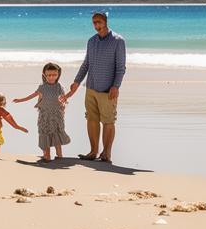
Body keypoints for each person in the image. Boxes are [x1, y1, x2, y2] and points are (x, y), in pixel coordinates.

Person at [66, 11, 126, 163]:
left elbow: (120, 67)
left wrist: (116, 86)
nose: (96, 25)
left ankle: (106, 154)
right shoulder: (91, 41)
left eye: (99, 22)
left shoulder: (118, 41)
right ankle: (93, 152)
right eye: (94, 23)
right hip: (91, 87)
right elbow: (86, 64)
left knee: (108, 121)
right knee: (91, 120)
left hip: (108, 89)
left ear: (105, 22)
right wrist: (77, 82)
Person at [12, 62, 71, 163]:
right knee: (45, 133)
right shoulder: (42, 87)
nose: (52, 77)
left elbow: (63, 99)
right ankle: (46, 155)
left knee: (57, 133)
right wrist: (20, 100)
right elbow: (32, 95)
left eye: (54, 75)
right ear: (44, 75)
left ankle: (60, 156)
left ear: (58, 75)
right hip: (45, 116)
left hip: (57, 116)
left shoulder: (59, 86)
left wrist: (64, 105)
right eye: (49, 75)